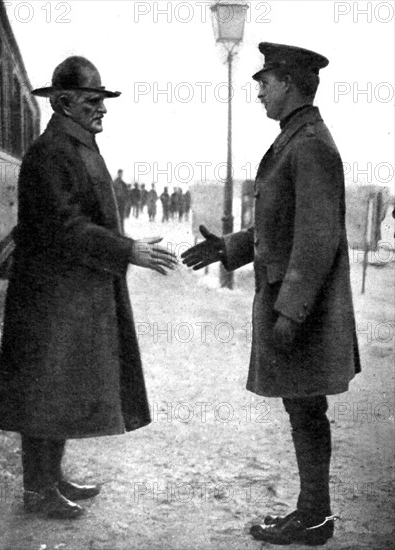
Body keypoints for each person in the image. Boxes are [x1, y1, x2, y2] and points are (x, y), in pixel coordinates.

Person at [182, 42, 360, 546]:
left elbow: (317, 238)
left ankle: (314, 516)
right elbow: (283, 226)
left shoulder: (309, 145)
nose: (258, 91)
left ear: (288, 83)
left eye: (264, 82)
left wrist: (290, 314)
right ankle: (313, 513)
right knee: (302, 408)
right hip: (296, 306)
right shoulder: (295, 140)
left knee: (306, 409)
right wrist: (230, 248)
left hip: (303, 310)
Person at [0, 56, 177, 520]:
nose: (102, 110)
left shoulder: (73, 144)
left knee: (60, 388)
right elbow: (64, 226)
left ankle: (50, 478)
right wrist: (126, 250)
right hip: (50, 297)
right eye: (94, 101)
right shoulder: (53, 151)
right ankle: (37, 491)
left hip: (68, 292)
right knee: (46, 391)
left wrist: (120, 249)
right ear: (64, 103)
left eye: (102, 101)